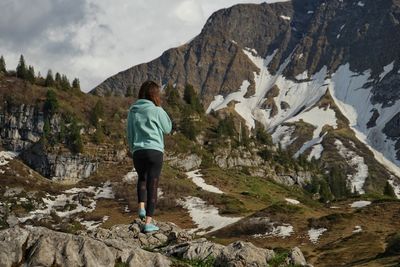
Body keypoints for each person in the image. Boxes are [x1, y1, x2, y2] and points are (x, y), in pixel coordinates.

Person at [126, 80, 172, 233]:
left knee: (142, 178)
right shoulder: (156, 110)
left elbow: (130, 133)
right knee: (153, 185)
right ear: (155, 95)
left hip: (138, 151)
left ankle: (141, 208)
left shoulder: (133, 110)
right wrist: (160, 108)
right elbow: (167, 128)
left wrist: (134, 149)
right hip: (154, 151)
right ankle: (148, 223)